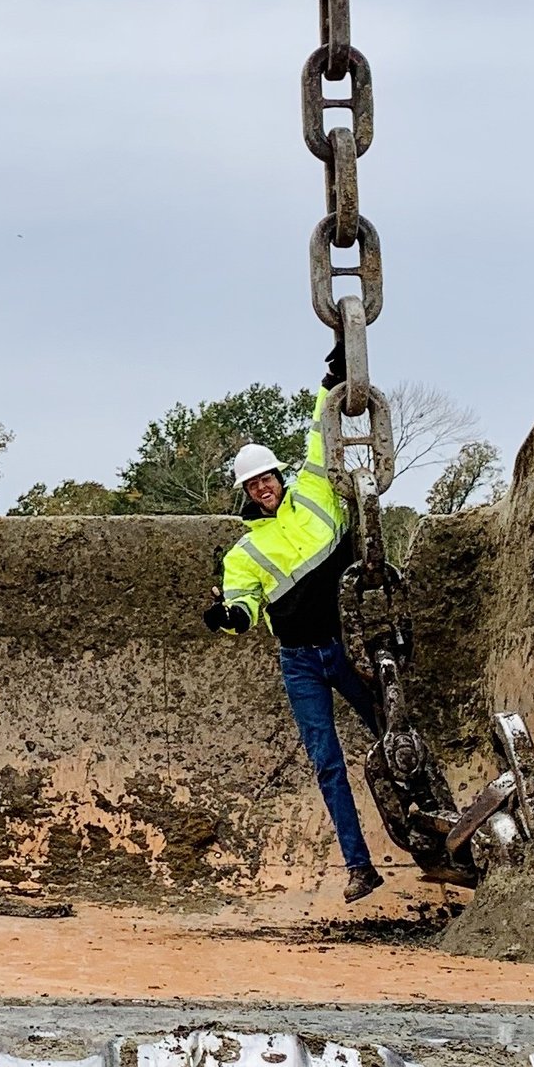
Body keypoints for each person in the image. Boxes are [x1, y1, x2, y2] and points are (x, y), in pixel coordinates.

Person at [200, 365, 385, 902]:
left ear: (279, 475)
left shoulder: (315, 492)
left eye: (266, 478)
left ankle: (440, 825)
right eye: (253, 485)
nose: (263, 488)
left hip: (345, 644)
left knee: (393, 733)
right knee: (327, 761)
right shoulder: (244, 553)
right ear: (246, 494)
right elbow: (243, 606)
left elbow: (319, 433)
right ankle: (359, 866)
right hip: (299, 661)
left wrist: (332, 383)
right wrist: (228, 618)